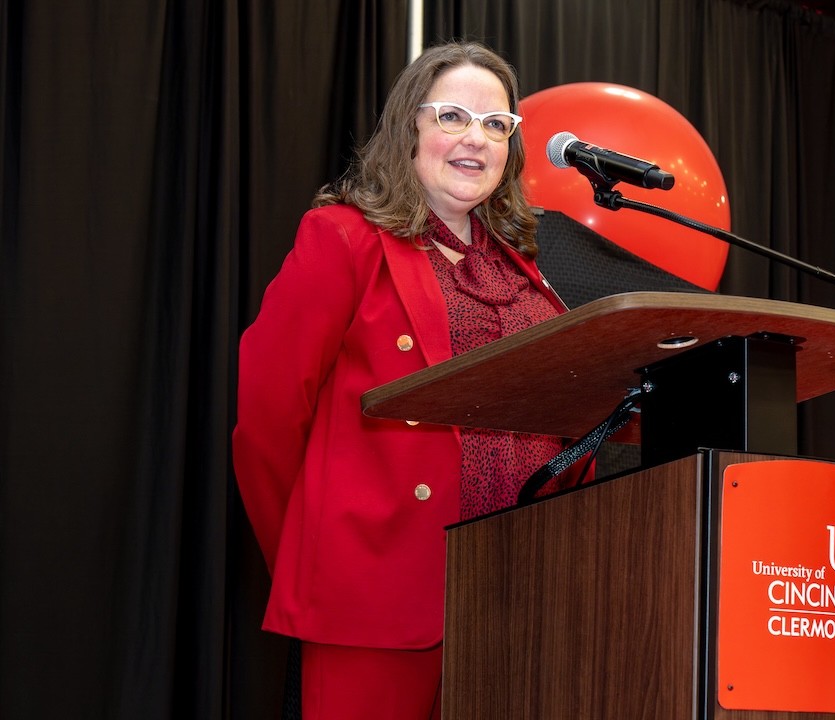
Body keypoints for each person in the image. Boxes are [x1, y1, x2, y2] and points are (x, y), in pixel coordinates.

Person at [232, 41, 579, 719]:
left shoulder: (523, 270)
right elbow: (267, 420)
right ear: (409, 130)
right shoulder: (342, 239)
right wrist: (320, 556)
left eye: (495, 125)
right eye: (451, 116)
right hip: (376, 597)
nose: (474, 138)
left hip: (519, 605)